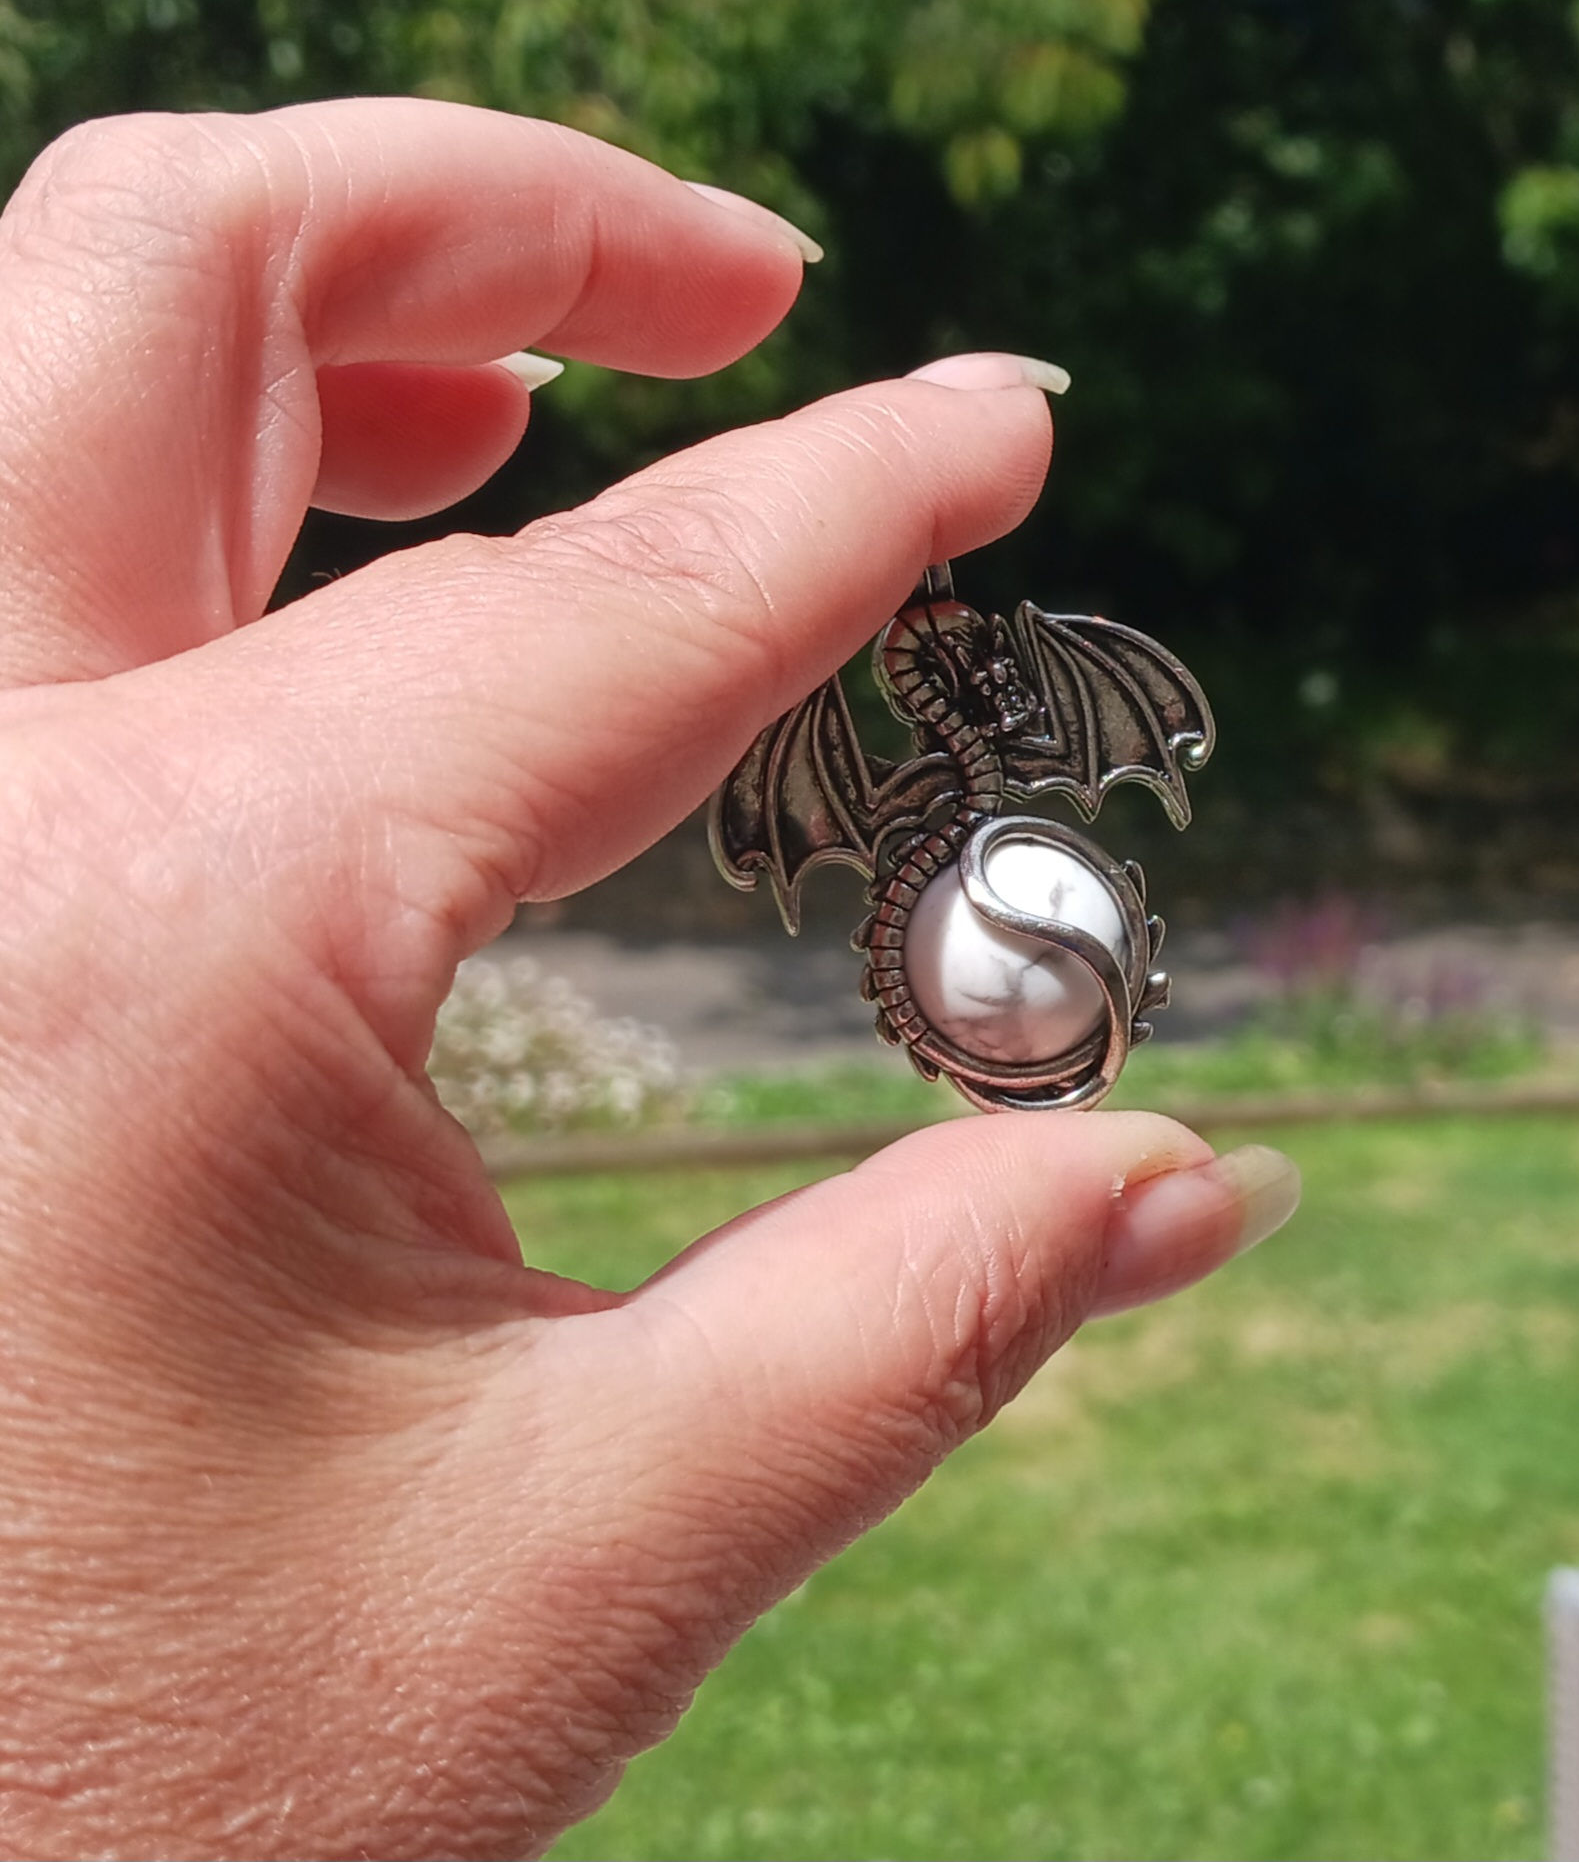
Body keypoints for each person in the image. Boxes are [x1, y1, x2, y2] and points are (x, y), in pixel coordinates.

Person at [0, 99, 1300, 1860]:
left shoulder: (1017, 679)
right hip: (952, 873)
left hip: (993, 869)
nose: (950, 668)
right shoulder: (880, 743)